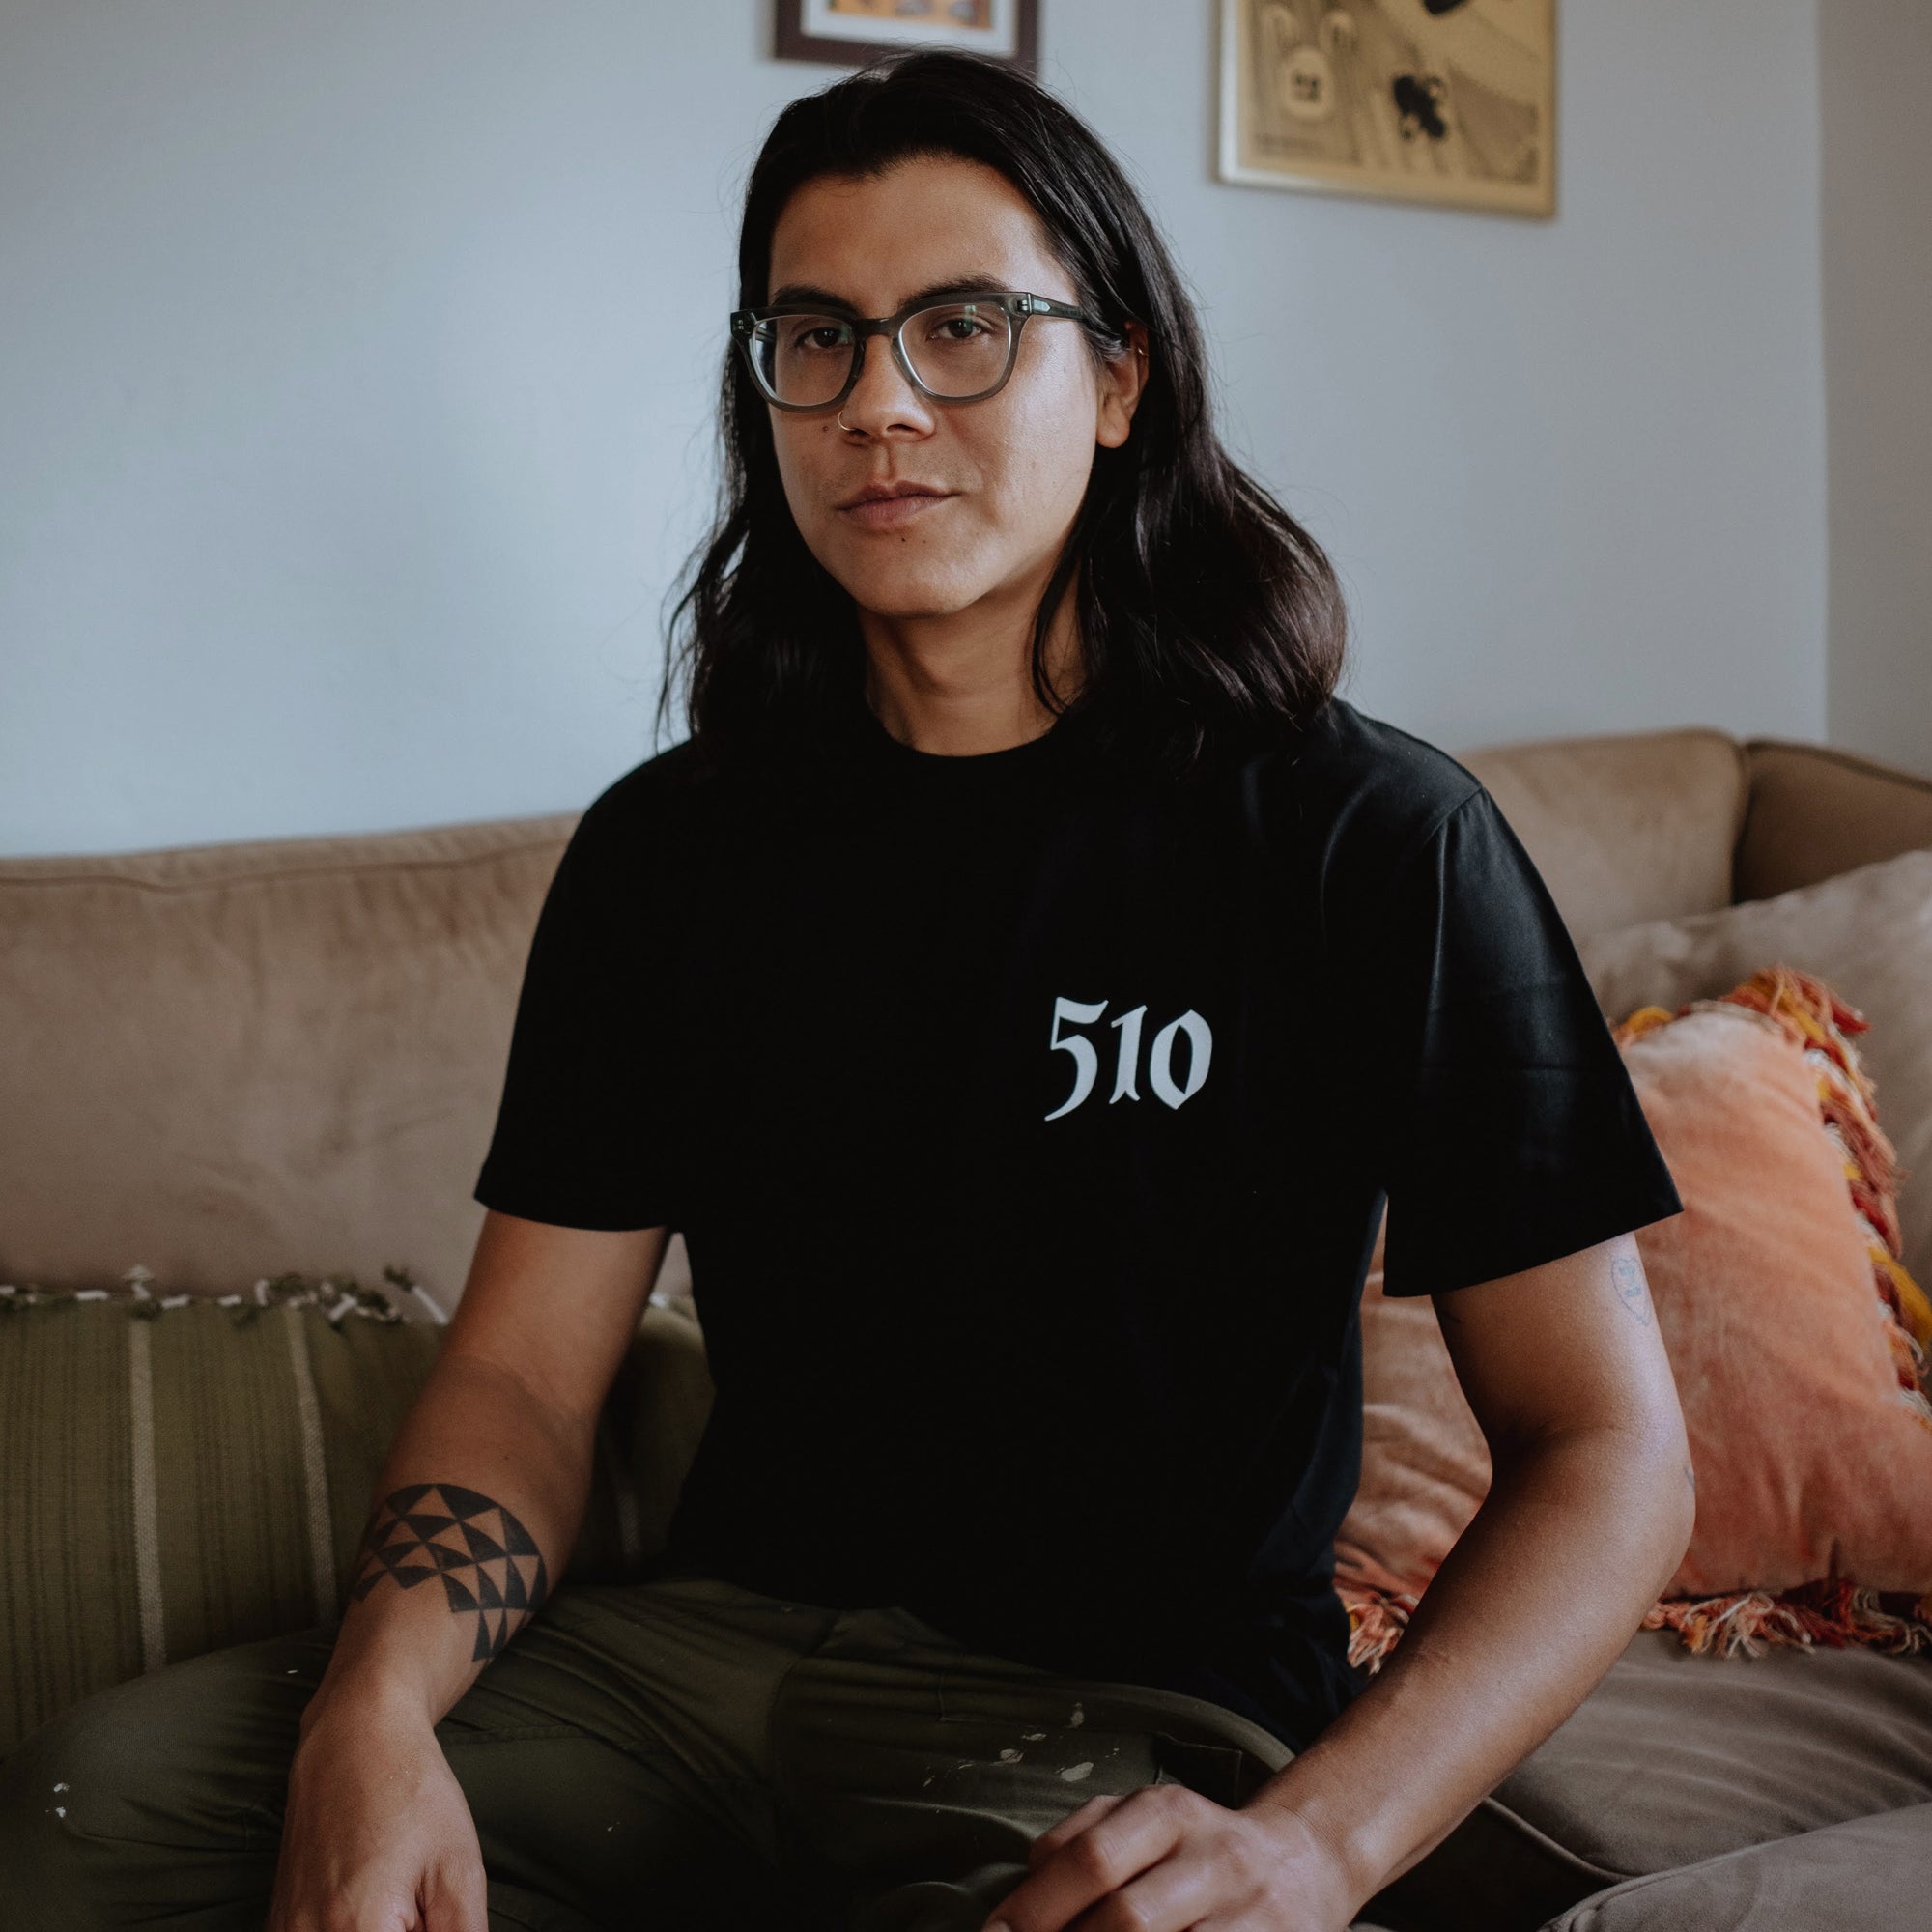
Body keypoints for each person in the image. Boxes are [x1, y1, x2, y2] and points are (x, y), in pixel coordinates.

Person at [0, 47, 1694, 1932]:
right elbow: (519, 1383)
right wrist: (370, 1711)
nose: (880, 401)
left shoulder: (1367, 842)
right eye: (816, 339)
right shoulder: (671, 851)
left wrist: (1319, 1841)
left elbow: (1606, 1450)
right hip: (693, 1669)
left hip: (1116, 1711)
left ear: (1122, 377)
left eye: (963, 327)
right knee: (103, 1800)